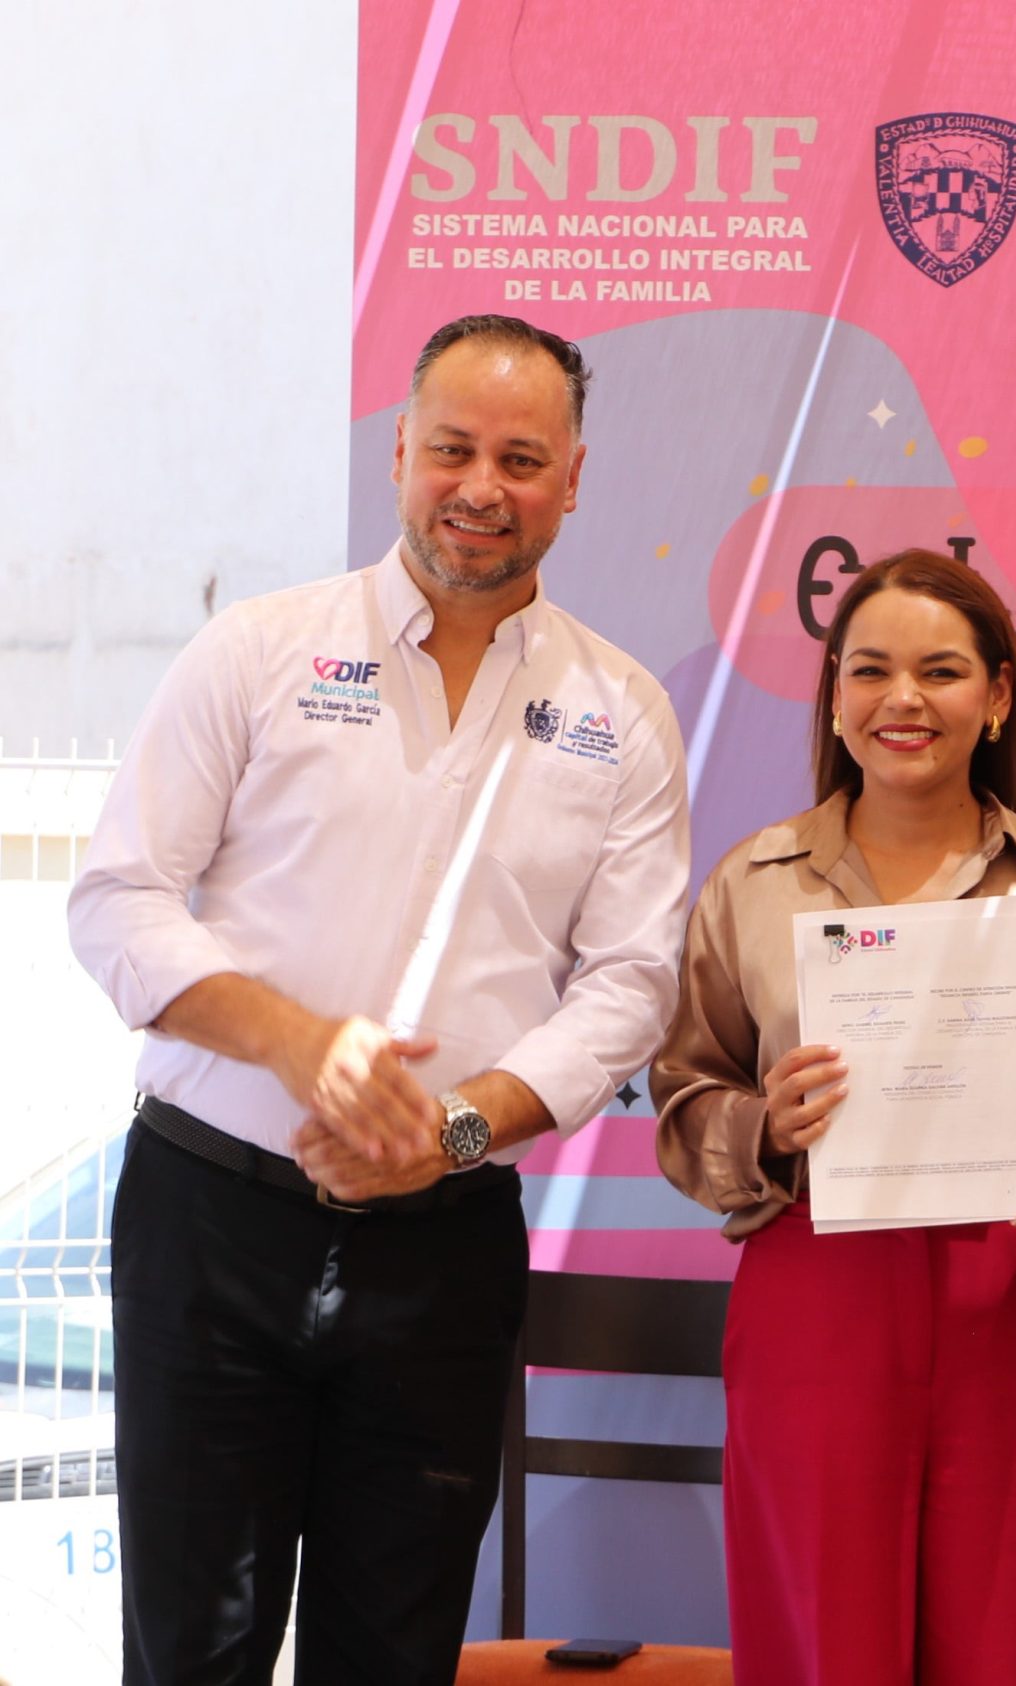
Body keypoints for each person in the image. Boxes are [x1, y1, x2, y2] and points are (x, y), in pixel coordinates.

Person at [66, 314, 691, 1683]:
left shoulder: (623, 711)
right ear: (400, 450)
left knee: (396, 1654)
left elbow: (632, 987)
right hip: (212, 1221)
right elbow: (115, 900)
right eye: (453, 448)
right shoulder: (259, 649)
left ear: (574, 478)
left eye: (521, 459)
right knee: (192, 1652)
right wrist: (301, 1045)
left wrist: (451, 1131)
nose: (482, 487)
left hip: (446, 1246)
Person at [653, 548, 1016, 1685]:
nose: (903, 700)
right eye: (870, 670)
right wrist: (767, 1127)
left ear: (998, 696)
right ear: (835, 695)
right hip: (816, 1302)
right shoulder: (752, 883)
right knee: (831, 1634)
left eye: (941, 671)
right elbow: (684, 1099)